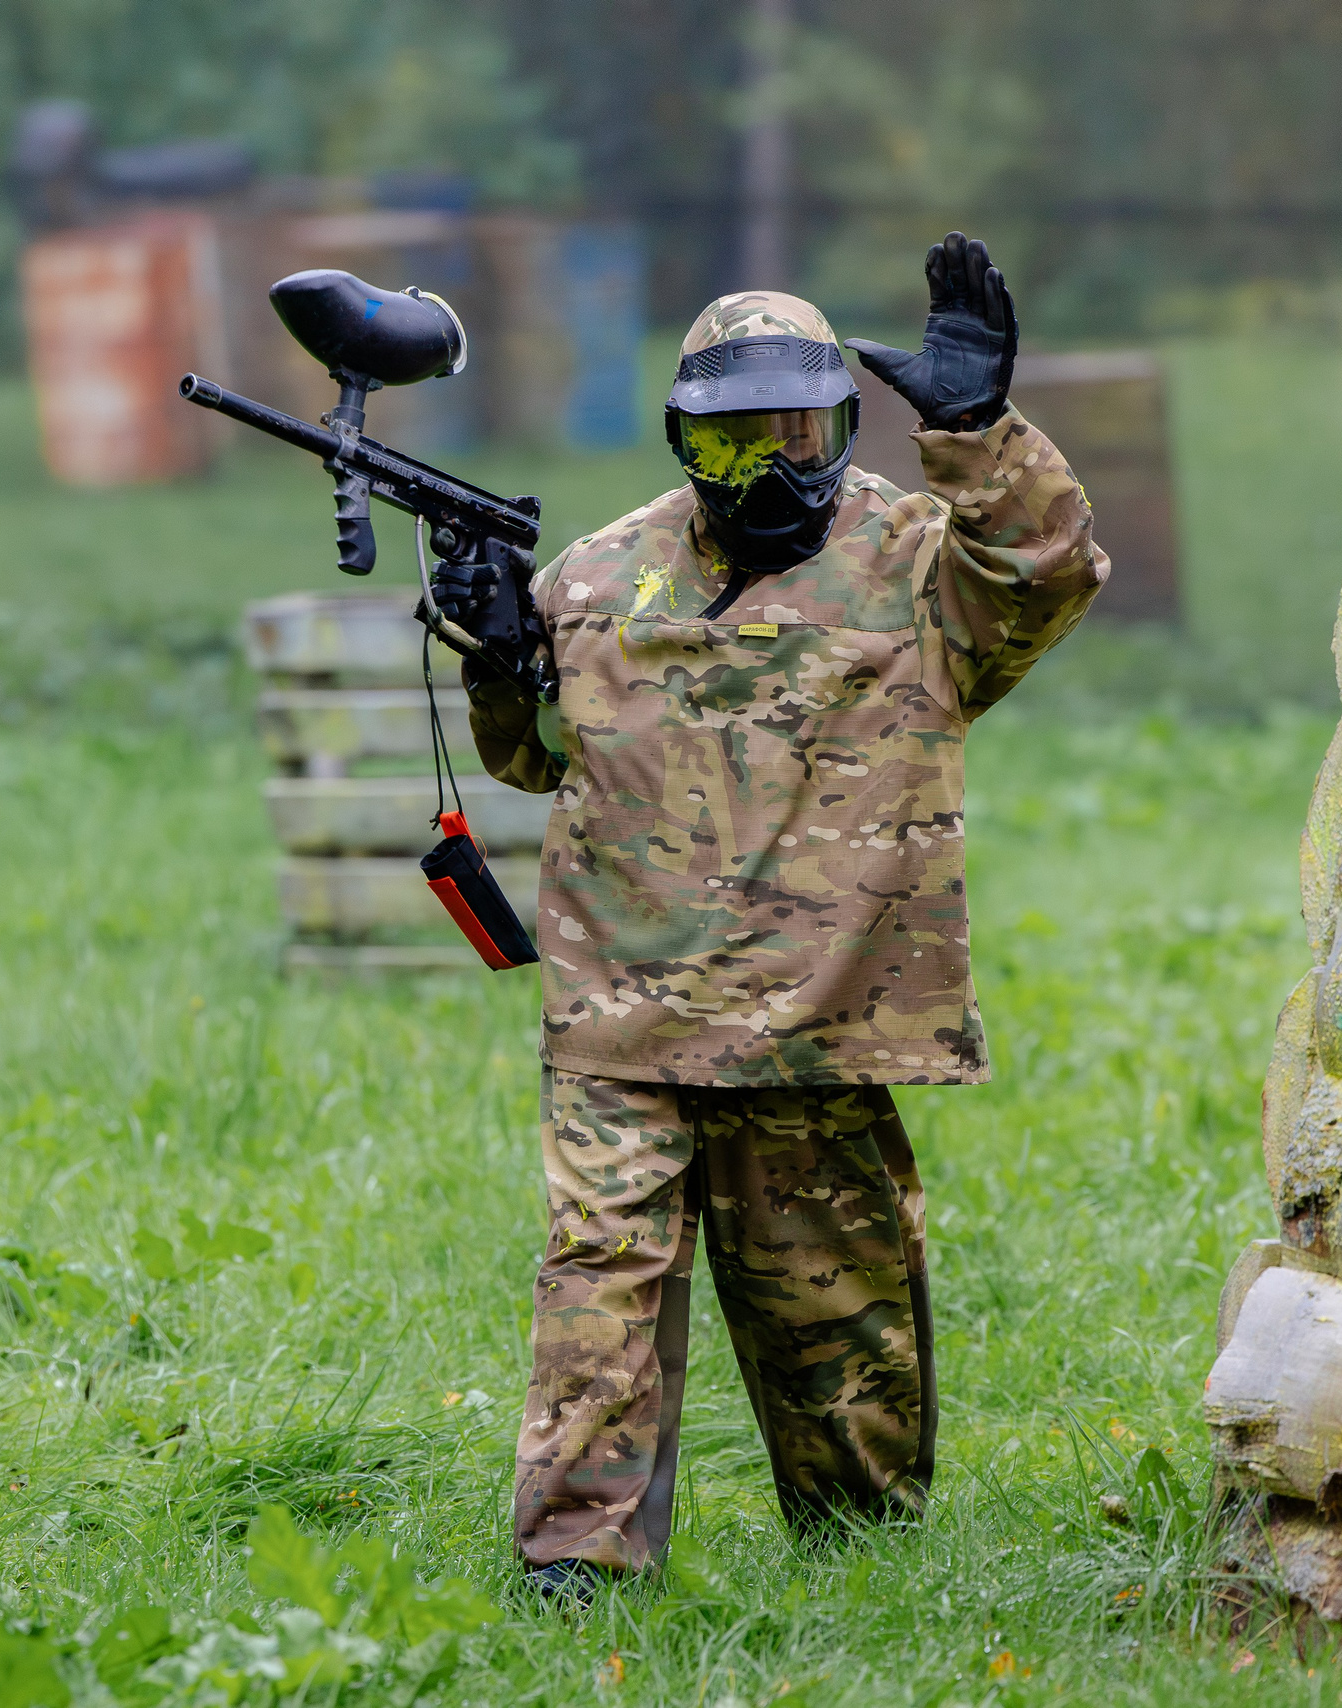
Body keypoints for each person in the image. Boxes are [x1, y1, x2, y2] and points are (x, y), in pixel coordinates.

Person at [429, 233, 1108, 1600]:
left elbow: (1048, 570)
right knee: (597, 1288)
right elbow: (533, 755)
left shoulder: (927, 570)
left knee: (836, 1311)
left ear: (846, 427)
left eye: (803, 435)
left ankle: (860, 1560)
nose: (774, 470)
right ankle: (580, 1567)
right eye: (736, 442)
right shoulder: (601, 575)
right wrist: (497, 657)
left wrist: (975, 431)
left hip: (820, 1015)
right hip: (626, 1010)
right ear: (686, 441)